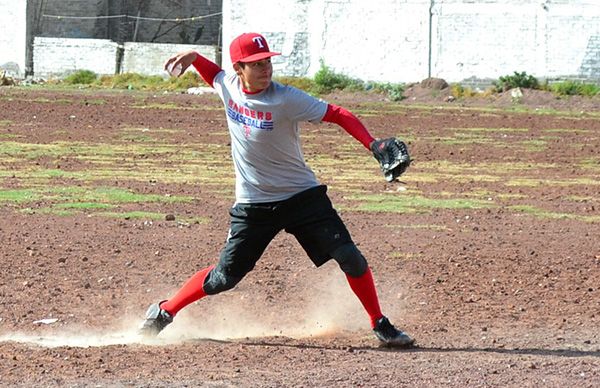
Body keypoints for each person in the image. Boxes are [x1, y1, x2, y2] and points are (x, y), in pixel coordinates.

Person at [139, 32, 414, 347]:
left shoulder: (285, 98)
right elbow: (213, 75)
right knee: (222, 279)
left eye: (268, 60)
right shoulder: (228, 85)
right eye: (256, 64)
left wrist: (373, 144)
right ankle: (164, 311)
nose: (266, 68)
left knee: (350, 257)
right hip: (254, 204)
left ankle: (379, 323)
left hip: (302, 197)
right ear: (239, 68)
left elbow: (337, 114)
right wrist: (193, 56)